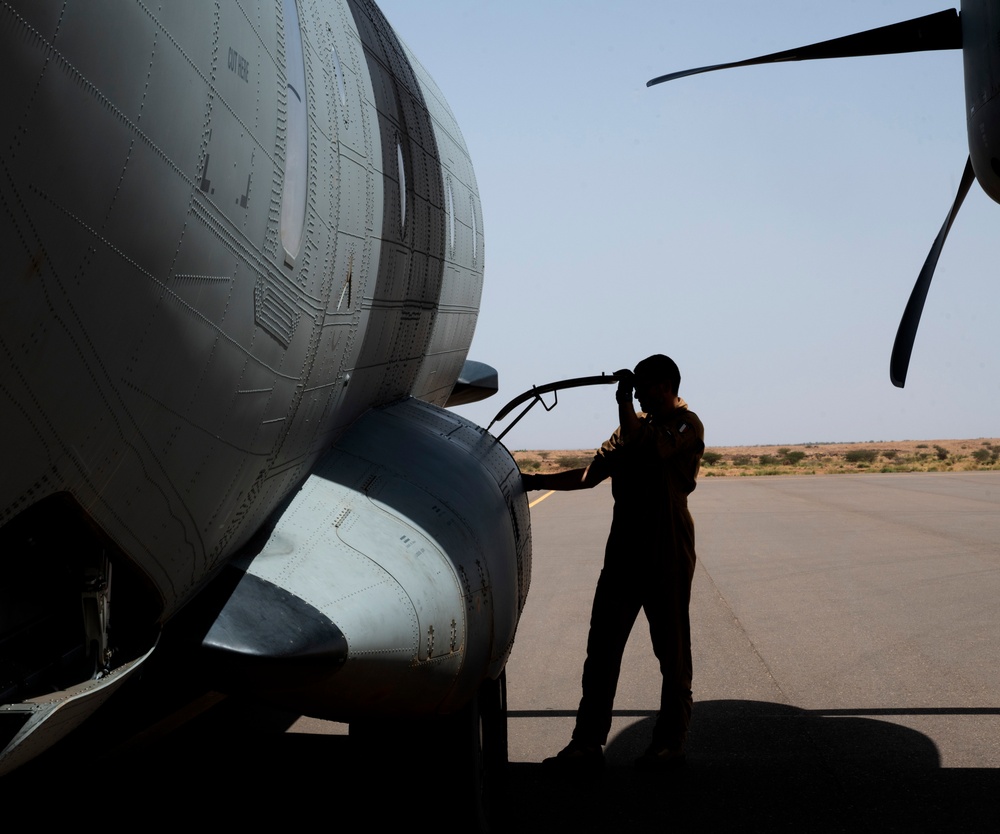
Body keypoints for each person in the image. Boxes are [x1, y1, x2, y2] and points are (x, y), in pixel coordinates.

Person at [521, 354, 704, 771]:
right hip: (623, 555)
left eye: (642, 386)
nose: (637, 393)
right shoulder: (629, 430)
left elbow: (650, 447)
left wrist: (623, 403)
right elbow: (590, 475)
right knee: (601, 651)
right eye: (633, 388)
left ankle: (670, 743)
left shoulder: (685, 425)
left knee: (672, 655)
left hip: (667, 553)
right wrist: (535, 482)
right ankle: (587, 742)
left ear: (664, 385)